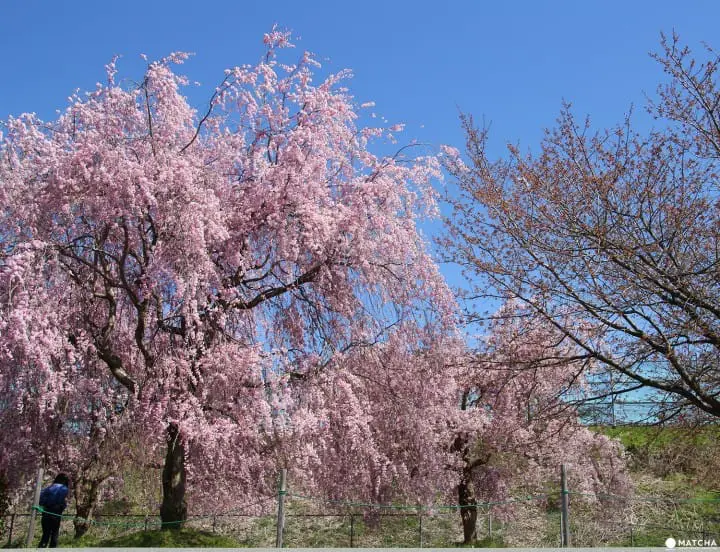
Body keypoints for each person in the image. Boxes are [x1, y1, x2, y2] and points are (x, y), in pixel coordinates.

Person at [38, 473, 69, 548]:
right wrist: (63, 506)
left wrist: (44, 505)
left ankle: (41, 548)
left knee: (45, 534)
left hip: (46, 511)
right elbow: (61, 500)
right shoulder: (64, 488)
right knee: (54, 534)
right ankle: (52, 549)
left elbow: (41, 499)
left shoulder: (48, 488)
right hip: (56, 512)